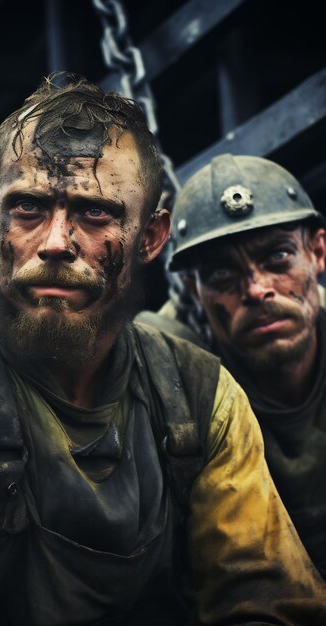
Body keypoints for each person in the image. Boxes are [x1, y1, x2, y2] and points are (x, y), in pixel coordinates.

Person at [0, 78, 325, 626]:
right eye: (29, 208)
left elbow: (269, 606)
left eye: (95, 213)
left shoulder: (201, 394)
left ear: (152, 237)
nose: (56, 242)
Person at [138, 152, 326, 582]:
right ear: (193, 289)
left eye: (278, 257)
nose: (258, 289)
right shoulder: (171, 373)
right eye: (222, 273)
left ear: (316, 252)